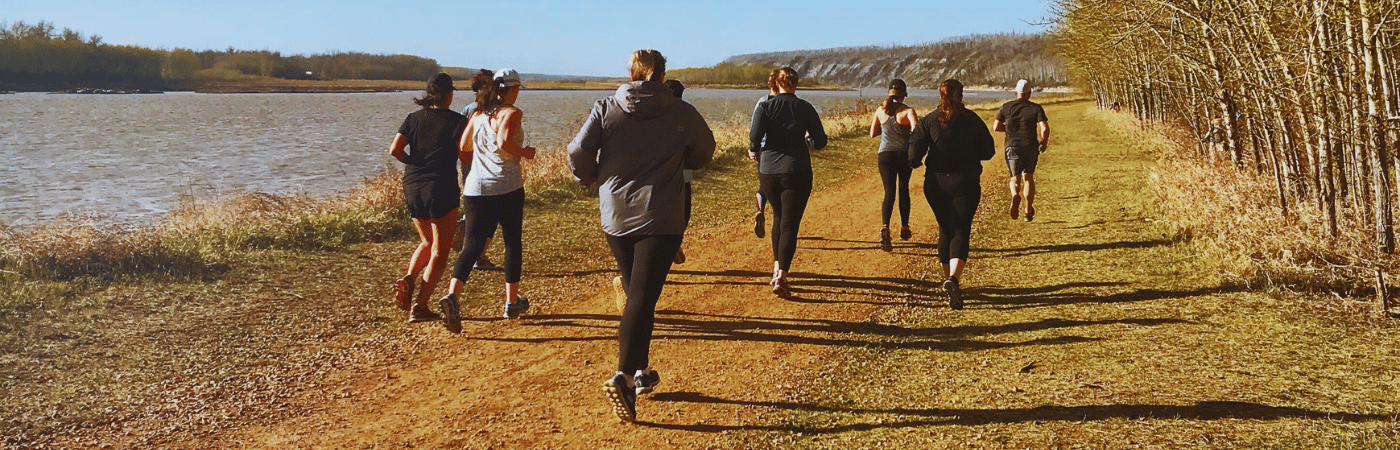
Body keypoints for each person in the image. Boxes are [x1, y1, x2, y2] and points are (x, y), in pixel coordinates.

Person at [568, 49, 715, 423]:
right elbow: (705, 150)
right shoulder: (681, 111)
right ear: (663, 76)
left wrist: (591, 177)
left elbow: (578, 150)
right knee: (642, 299)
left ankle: (642, 371)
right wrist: (686, 161)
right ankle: (624, 377)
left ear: (631, 73)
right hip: (662, 215)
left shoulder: (606, 108)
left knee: (639, 295)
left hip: (615, 215)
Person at [437, 69, 537, 333]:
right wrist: (525, 153)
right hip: (507, 187)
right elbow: (505, 141)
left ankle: (452, 296)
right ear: (512, 90)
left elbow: (464, 148)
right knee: (512, 241)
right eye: (517, 90)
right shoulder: (512, 113)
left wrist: (481, 163)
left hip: (475, 189)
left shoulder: (478, 114)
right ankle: (511, 302)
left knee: (472, 245)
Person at [909, 79, 995, 310]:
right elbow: (988, 151)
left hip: (935, 182)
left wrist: (917, 161)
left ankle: (947, 278)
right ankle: (953, 280)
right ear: (961, 95)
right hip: (965, 181)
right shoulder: (972, 120)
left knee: (945, 228)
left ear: (940, 95)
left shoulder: (928, 120)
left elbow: (913, 155)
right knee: (961, 229)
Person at [388, 73, 467, 323]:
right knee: (440, 251)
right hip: (441, 186)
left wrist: (413, 162)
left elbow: (394, 150)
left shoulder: (413, 118)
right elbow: (464, 154)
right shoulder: (457, 121)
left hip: (412, 185)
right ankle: (420, 307)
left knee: (427, 240)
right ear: (449, 95)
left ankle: (409, 280)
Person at [749, 67, 827, 298]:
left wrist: (754, 151)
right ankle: (782, 274)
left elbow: (755, 137)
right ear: (795, 84)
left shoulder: (765, 106)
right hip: (797, 169)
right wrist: (807, 141)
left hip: (769, 170)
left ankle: (775, 268)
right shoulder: (805, 107)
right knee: (790, 223)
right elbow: (821, 141)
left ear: (777, 83)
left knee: (778, 218)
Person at [868, 78, 919, 251]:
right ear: (904, 95)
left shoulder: (881, 110)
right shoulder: (908, 111)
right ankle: (904, 227)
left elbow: (872, 133)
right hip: (903, 155)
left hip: (885, 155)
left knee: (889, 192)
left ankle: (885, 226)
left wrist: (886, 128)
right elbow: (916, 132)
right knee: (903, 188)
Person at [993, 79, 1049, 222]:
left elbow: (996, 127)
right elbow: (1044, 127)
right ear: (1029, 93)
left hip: (1012, 146)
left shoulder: (1006, 107)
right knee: (1028, 177)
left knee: (1015, 178)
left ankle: (1014, 195)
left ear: (1016, 92)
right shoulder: (1036, 108)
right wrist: (1044, 141)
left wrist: (1009, 129)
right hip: (1030, 146)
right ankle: (1027, 210)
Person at [457, 79, 496, 270]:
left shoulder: (466, 110)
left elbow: (460, 139)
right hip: (481, 163)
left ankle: (468, 243)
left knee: (472, 205)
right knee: (487, 209)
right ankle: (477, 254)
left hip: (468, 162)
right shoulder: (491, 110)